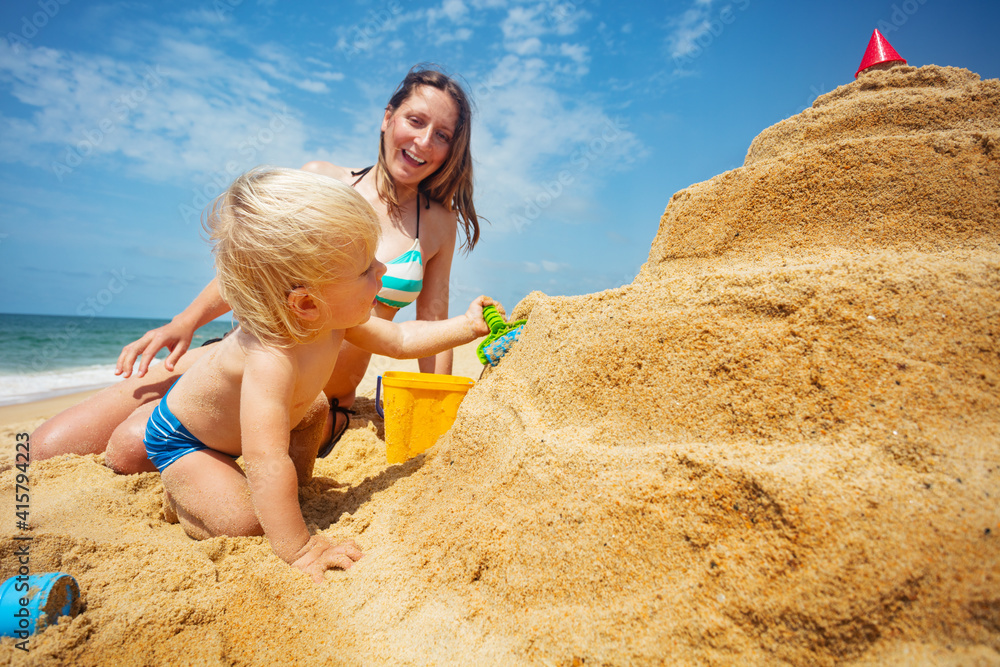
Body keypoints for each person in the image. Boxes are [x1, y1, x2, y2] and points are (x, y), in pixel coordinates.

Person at [31, 64, 482, 471]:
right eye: (415, 121)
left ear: (451, 149)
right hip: (242, 354)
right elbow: (259, 266)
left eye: (442, 135)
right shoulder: (322, 180)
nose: (424, 141)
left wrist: (434, 403)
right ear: (388, 117)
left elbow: (431, 319)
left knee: (131, 445)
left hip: (316, 402)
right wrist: (184, 322)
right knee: (48, 445)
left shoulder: (438, 224)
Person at [144, 167, 496, 582]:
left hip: (257, 426)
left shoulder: (334, 319)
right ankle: (182, 495)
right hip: (187, 439)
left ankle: (289, 489)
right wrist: (299, 548)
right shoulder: (271, 359)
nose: (383, 271)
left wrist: (467, 327)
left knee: (315, 408)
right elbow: (265, 460)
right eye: (367, 269)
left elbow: (400, 339)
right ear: (307, 304)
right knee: (247, 522)